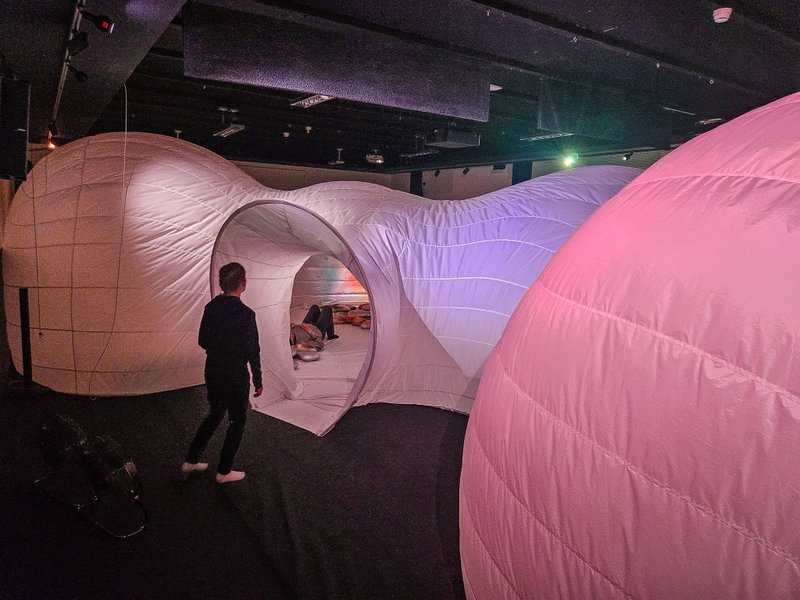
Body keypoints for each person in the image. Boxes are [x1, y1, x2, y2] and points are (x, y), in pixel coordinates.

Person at [181, 262, 263, 484]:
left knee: (215, 413)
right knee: (237, 421)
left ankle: (191, 459)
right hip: (235, 375)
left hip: (213, 371)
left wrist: (219, 348)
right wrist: (258, 380)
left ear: (221, 284)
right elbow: (253, 350)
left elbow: (202, 340)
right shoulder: (247, 314)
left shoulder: (211, 308)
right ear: (243, 284)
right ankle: (224, 471)